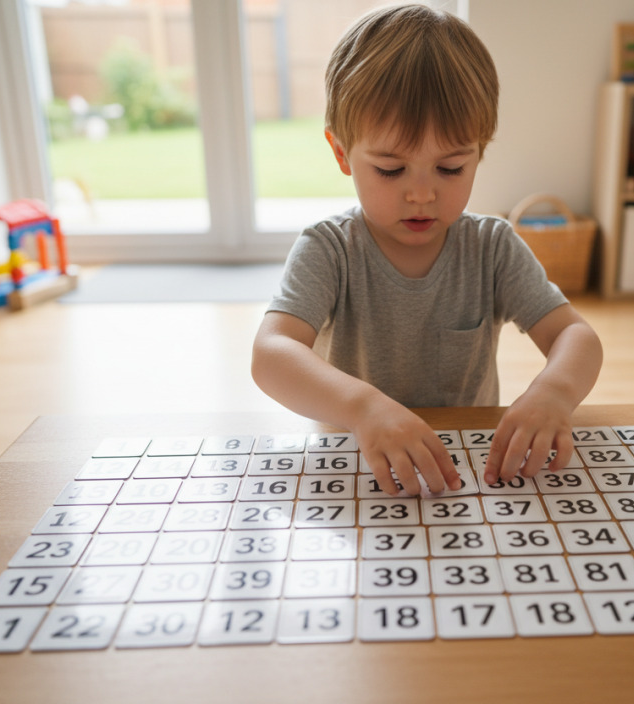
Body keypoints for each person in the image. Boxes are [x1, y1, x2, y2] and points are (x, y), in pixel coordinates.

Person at [252, 4, 602, 497]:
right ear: (340, 153)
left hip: (468, 476)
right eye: (391, 170)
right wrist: (362, 408)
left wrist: (555, 392)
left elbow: (575, 336)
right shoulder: (329, 249)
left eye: (451, 168)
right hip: (358, 470)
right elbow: (272, 353)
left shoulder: (492, 247)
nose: (421, 194)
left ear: (480, 152)